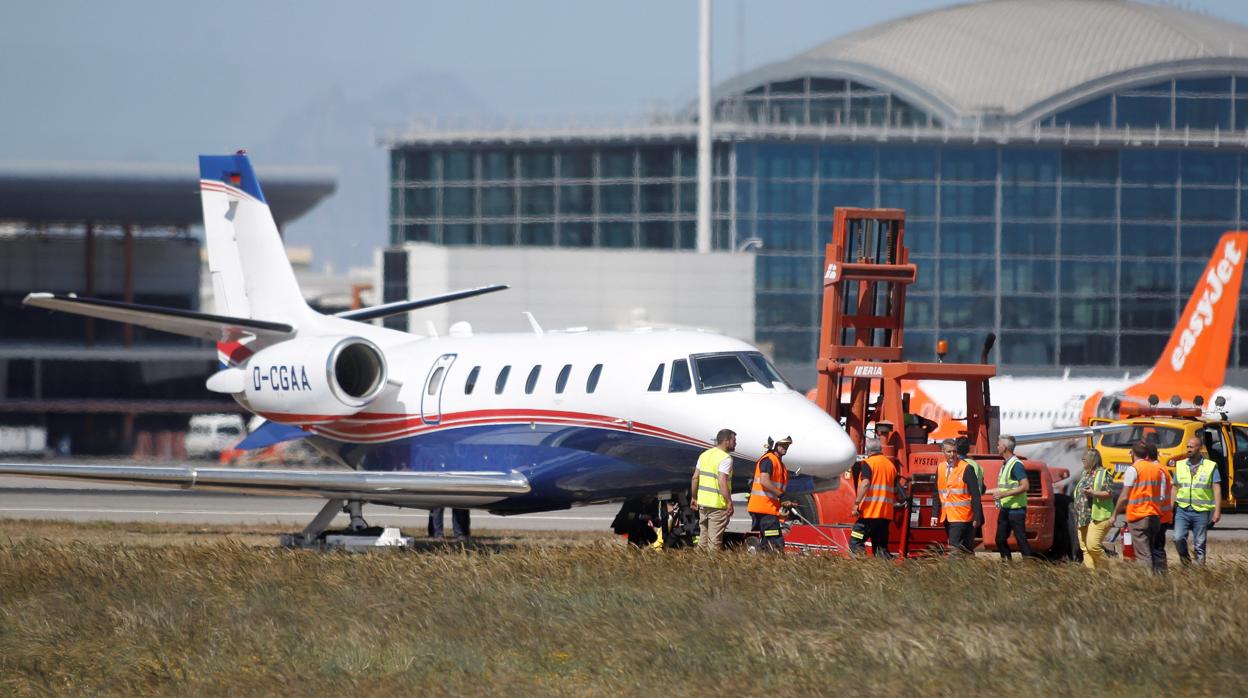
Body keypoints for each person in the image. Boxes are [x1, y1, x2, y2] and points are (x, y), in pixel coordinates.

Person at [1112, 441, 1165, 572]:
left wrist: (1114, 515)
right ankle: (1158, 577)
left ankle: (1146, 582)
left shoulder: (1133, 469)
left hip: (1139, 517)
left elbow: (1124, 497)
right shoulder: (1157, 469)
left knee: (1143, 555)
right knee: (1151, 551)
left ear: (1132, 453)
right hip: (1154, 516)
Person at [1172, 436, 1223, 565]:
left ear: (1200, 448)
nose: (1188, 449)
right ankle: (1186, 563)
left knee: (1200, 543)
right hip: (1182, 509)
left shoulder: (1210, 466)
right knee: (1178, 538)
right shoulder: (1180, 465)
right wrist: (1169, 507)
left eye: (1192, 447)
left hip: (1201, 511)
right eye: (1187, 446)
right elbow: (1175, 488)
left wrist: (1217, 511)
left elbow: (1216, 489)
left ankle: (1200, 570)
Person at [850, 437, 898, 559]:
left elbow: (865, 483)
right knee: (880, 548)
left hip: (869, 513)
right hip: (885, 515)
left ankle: (863, 567)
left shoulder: (869, 463)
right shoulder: (890, 466)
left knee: (856, 540)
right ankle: (884, 573)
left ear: (868, 451)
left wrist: (856, 503)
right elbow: (896, 489)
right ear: (881, 449)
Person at [934, 437, 983, 555]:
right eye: (949, 451)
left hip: (962, 516)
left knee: (953, 548)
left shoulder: (966, 468)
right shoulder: (940, 468)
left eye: (954, 451)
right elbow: (937, 492)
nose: (952, 454)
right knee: (966, 550)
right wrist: (934, 514)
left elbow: (975, 494)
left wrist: (977, 516)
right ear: (943, 452)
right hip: (947, 515)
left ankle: (953, 572)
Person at [747, 436, 795, 552]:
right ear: (775, 445)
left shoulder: (781, 465)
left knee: (767, 541)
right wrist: (782, 496)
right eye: (783, 445)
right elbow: (764, 481)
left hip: (770, 508)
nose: (786, 447)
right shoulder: (768, 460)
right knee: (774, 543)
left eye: (787, 445)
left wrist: (784, 501)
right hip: (764, 509)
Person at [690, 428, 736, 551]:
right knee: (714, 544)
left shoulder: (704, 455)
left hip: (703, 504)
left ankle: (696, 566)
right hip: (717, 506)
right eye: (733, 440)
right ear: (726, 441)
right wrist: (729, 502)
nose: (735, 443)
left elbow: (695, 478)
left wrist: (694, 497)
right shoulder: (726, 458)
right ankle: (711, 568)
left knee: (703, 541)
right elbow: (722, 481)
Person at [992, 435, 1034, 560]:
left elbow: (1025, 486)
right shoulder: (1006, 464)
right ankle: (1007, 566)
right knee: (999, 540)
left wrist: (1003, 494)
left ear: (1004, 447)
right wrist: (983, 491)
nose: (997, 447)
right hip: (1005, 509)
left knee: (1021, 541)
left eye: (998, 444)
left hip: (1016, 510)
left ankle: (1031, 568)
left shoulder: (1016, 465)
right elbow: (1003, 488)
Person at [1074, 450, 1114, 569]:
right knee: (1085, 547)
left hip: (1096, 516)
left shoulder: (1103, 474)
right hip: (1083, 516)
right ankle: (1092, 576)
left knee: (1092, 546)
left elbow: (1110, 493)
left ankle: (1107, 569)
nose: (1082, 461)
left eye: (1084, 459)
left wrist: (1093, 493)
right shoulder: (1085, 474)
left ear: (1092, 460)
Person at [1148, 443, 1171, 571]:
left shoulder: (1159, 470)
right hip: (1156, 515)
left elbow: (1160, 496)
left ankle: (1161, 573)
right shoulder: (1155, 469)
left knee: (1157, 547)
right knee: (1153, 547)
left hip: (1159, 516)